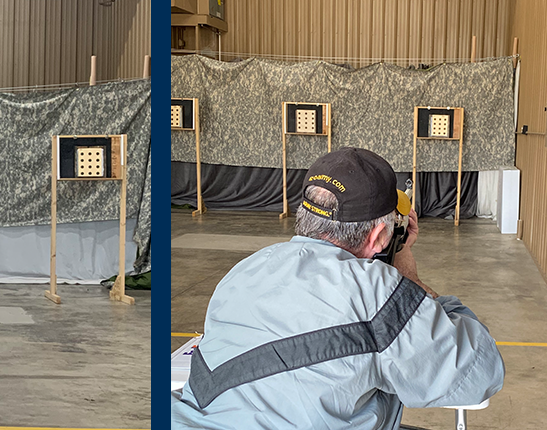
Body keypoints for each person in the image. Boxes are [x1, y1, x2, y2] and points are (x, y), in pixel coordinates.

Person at [170, 147, 505, 429]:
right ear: (378, 237)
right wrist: (406, 270)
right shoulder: (378, 293)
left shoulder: (245, 269)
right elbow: (477, 375)